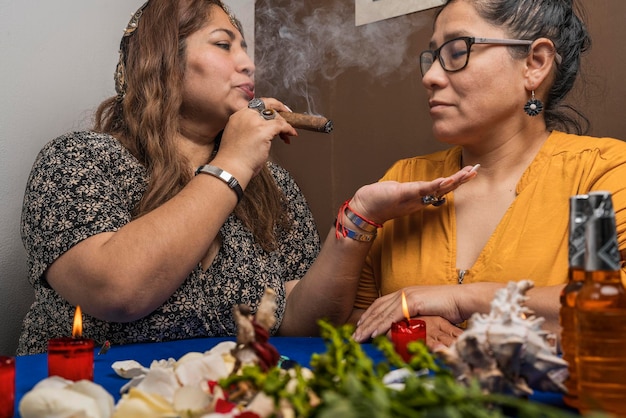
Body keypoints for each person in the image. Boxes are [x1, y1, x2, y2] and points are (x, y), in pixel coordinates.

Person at [17, 0, 477, 355]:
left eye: (245, 47)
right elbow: (116, 291)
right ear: (163, 62)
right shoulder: (77, 161)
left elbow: (302, 319)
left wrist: (359, 218)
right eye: (223, 44)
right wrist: (233, 163)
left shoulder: (271, 186)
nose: (248, 64)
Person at [351, 0, 626, 349]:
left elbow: (615, 309)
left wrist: (461, 300)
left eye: (456, 51)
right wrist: (406, 328)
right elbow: (354, 315)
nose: (430, 76)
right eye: (433, 56)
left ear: (534, 63)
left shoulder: (602, 173)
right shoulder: (405, 180)